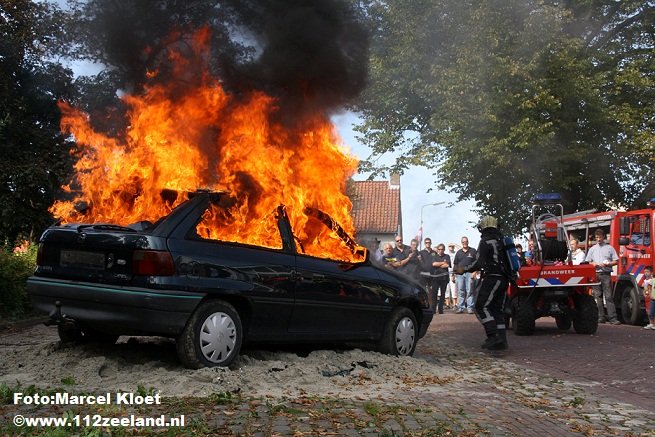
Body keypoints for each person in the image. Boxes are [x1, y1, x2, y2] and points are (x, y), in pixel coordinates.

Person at [455, 216, 511, 351]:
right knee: (496, 310)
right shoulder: (502, 240)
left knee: (480, 307)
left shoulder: (485, 241)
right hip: (504, 279)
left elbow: (478, 263)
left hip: (492, 278)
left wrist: (463, 269)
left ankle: (493, 336)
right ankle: (502, 341)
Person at [585, 229, 620, 324]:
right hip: (596, 274)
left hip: (606, 274)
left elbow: (616, 261)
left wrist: (608, 264)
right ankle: (601, 317)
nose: (598, 239)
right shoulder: (592, 249)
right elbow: (588, 262)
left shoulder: (609, 248)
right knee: (598, 296)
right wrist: (594, 264)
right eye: (596, 237)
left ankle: (613, 318)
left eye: (600, 237)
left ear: (604, 237)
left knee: (608, 296)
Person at [453, 236, 477, 314]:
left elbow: (477, 262)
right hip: (460, 274)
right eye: (463, 242)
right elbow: (455, 264)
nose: (464, 243)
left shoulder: (473, 251)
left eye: (466, 241)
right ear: (461, 243)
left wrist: (474, 272)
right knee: (461, 291)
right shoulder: (459, 252)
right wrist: (454, 274)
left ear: (468, 242)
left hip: (470, 273)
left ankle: (470, 308)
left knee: (469, 290)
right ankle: (461, 308)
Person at [430, 243, 451, 314]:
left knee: (443, 294)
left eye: (442, 249)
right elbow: (433, 264)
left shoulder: (447, 256)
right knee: (434, 294)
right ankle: (433, 310)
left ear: (444, 250)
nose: (441, 250)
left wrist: (438, 264)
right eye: (439, 249)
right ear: (437, 250)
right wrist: (442, 263)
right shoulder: (434, 256)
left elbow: (447, 265)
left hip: (444, 278)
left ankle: (440, 309)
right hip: (435, 278)